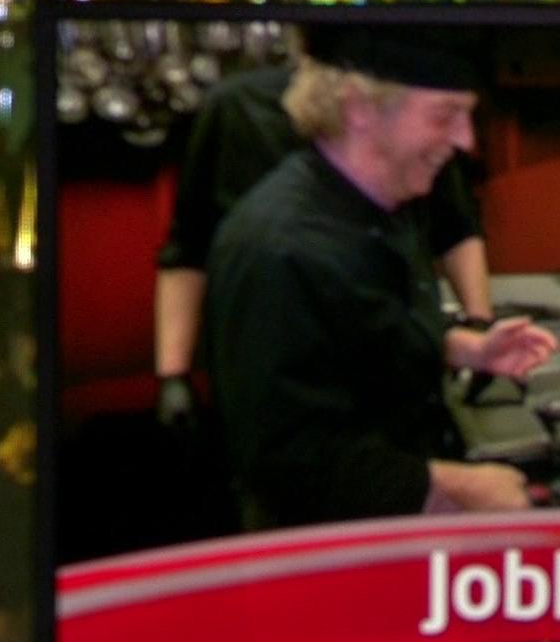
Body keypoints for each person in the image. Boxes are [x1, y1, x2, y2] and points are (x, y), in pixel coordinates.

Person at [203, 30, 557, 527]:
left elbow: (361, 337)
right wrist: (454, 485)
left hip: (395, 504)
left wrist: (466, 348)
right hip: (330, 548)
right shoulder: (276, 250)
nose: (466, 141)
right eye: (445, 115)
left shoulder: (388, 203)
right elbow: (288, 463)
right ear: (359, 109)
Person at [153, 29, 495, 438]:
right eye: (444, 116)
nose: (463, 139)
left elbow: (455, 227)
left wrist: (476, 328)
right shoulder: (236, 114)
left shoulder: (413, 125)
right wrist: (173, 375)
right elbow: (188, 249)